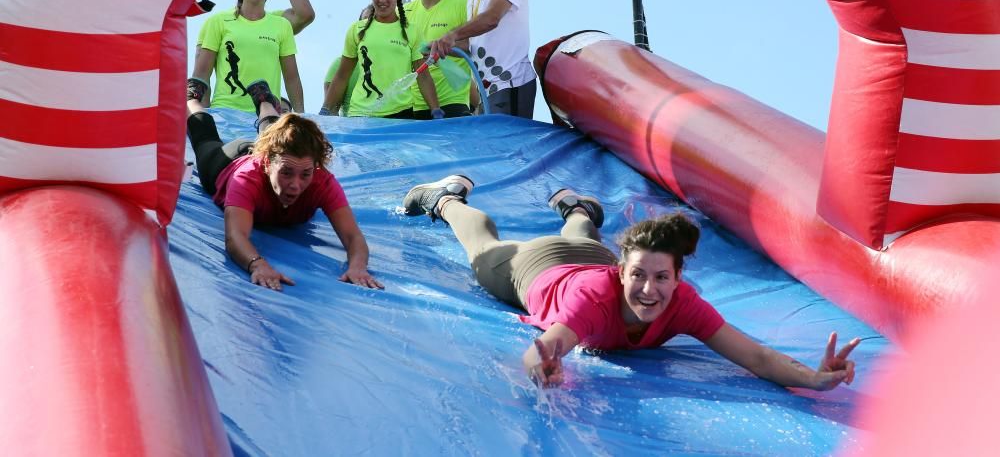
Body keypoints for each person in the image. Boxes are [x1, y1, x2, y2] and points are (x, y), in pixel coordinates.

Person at [402, 176, 861, 389]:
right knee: (482, 247)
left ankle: (578, 209)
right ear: (622, 274)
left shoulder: (682, 302)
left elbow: (757, 357)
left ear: (680, 278)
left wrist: (817, 380)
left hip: (592, 256)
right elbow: (546, 347)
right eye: (638, 276)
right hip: (538, 268)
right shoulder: (592, 301)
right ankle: (446, 199)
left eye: (662, 278)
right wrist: (540, 368)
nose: (648, 289)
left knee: (585, 239)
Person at [185, 76, 382, 291]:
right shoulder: (246, 178)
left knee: (276, 132)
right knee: (204, 137)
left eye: (305, 174)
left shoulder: (321, 180)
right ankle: (191, 97)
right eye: (287, 174)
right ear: (267, 163)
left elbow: (353, 236)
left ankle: (263, 99)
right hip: (227, 162)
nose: (295, 185)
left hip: (273, 152)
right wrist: (257, 264)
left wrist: (357, 267)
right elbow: (235, 237)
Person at [428, 0, 536, 118]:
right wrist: (441, 48)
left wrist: (451, 35)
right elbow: (472, 44)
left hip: (511, 83)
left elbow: (492, 18)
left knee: (507, 147)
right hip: (485, 92)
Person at [192, 0, 308, 112]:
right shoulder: (218, 21)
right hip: (225, 113)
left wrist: (301, 117)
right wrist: (203, 117)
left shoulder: (281, 25)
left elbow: (292, 78)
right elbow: (201, 75)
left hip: (268, 115)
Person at [322, 0, 440, 119]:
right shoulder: (356, 29)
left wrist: (435, 110)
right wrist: (325, 110)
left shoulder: (412, 31)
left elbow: (423, 75)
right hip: (361, 115)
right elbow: (342, 76)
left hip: (401, 114)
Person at [405, 0, 473, 119]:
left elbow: (478, 47)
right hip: (413, 108)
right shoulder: (404, 13)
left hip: (454, 104)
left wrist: (444, 49)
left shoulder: (463, 5)